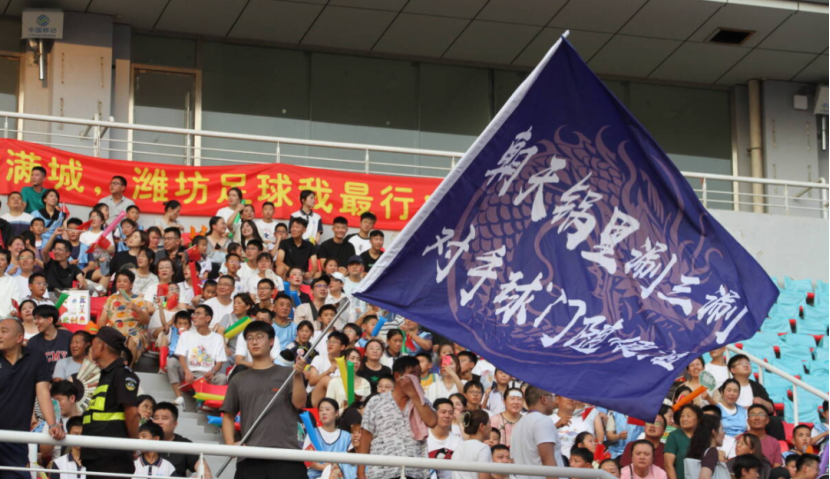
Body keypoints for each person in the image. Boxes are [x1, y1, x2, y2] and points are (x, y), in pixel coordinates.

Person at [221, 320, 309, 479]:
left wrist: (297, 375)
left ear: (271, 341)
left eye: (259, 337)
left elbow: (299, 403)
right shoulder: (238, 379)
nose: (254, 342)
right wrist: (230, 445)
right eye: (250, 338)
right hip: (250, 457)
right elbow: (228, 415)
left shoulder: (288, 373)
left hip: (287, 454)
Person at [0, 318, 65, 477]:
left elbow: (43, 393)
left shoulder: (36, 357)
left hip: (17, 439)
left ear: (19, 338)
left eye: (3, 331)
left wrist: (52, 424)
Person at [358, 355, 437, 479]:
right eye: (412, 374)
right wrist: (361, 473)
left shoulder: (423, 402)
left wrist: (414, 395)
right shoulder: (376, 401)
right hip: (382, 473)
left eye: (419, 374)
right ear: (397, 376)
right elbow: (366, 437)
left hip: (415, 472)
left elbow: (432, 421)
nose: (416, 378)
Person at [81, 326, 140, 477]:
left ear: (101, 346)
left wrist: (133, 445)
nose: (91, 347)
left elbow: (132, 413)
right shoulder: (105, 375)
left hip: (112, 456)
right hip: (96, 454)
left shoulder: (122, 374)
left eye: (93, 343)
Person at [169, 304, 228, 406]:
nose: (194, 317)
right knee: (171, 361)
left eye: (198, 314)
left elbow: (220, 361)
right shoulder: (186, 335)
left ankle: (209, 403)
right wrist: (187, 371)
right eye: (194, 314)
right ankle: (179, 397)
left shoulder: (217, 338)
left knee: (222, 377)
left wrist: (213, 372)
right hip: (189, 372)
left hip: (207, 374)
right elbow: (181, 357)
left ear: (207, 318)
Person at [97, 270, 151, 363]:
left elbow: (146, 321)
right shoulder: (111, 299)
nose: (121, 283)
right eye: (119, 281)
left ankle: (127, 368)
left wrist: (136, 309)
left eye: (125, 281)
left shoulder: (139, 299)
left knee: (133, 339)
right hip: (114, 332)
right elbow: (102, 319)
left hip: (134, 332)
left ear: (131, 284)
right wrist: (104, 331)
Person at [510, 385, 563, 479]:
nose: (554, 401)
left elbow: (513, 460)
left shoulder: (518, 425)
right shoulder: (543, 421)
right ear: (544, 399)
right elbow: (547, 459)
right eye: (552, 397)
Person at [151, 401, 213, 477]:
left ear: (175, 424)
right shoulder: (144, 440)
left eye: (164, 418)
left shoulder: (184, 444)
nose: (159, 422)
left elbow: (206, 474)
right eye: (156, 418)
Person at [728, 355, 781, 439]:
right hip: (735, 419)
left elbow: (771, 409)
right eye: (741, 363)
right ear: (733, 370)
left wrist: (762, 402)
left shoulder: (757, 387)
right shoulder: (726, 387)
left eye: (747, 363)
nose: (746, 365)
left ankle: (778, 446)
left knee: (775, 421)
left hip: (756, 418)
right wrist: (745, 409)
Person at [304, 398, 353, 479]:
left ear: (336, 413)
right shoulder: (312, 434)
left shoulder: (346, 436)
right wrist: (326, 468)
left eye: (327, 409)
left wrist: (333, 469)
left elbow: (351, 462)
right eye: (321, 410)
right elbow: (307, 459)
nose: (324, 412)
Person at [27, 304, 73, 372]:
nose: (35, 322)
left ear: (50, 320)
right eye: (34, 319)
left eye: (38, 318)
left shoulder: (68, 337)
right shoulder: (33, 342)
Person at [451, 410, 495, 479]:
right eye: (489, 424)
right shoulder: (483, 448)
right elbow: (484, 477)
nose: (491, 428)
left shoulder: (458, 447)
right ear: (482, 426)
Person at [664, 404, 702, 479]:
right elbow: (668, 465)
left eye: (688, 416)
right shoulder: (674, 436)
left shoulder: (704, 436)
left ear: (698, 419)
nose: (684, 419)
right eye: (682, 416)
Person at [550, 395, 592, 461]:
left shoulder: (584, 424)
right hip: (552, 462)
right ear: (557, 399)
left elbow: (590, 447)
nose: (571, 399)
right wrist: (556, 426)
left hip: (576, 465)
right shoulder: (547, 420)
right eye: (566, 396)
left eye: (573, 396)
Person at [429, 398, 462, 479]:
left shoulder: (458, 442)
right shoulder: (424, 438)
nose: (447, 416)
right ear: (434, 413)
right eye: (443, 412)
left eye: (450, 413)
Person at [687, 414, 725, 479]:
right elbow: (704, 477)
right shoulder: (712, 452)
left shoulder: (698, 452)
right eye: (722, 430)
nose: (724, 433)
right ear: (714, 432)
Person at [0, 248, 21, 317]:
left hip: (8, 319)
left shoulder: (12, 281)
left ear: (8, 264)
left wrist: (14, 311)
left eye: (2, 260)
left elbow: (17, 300)